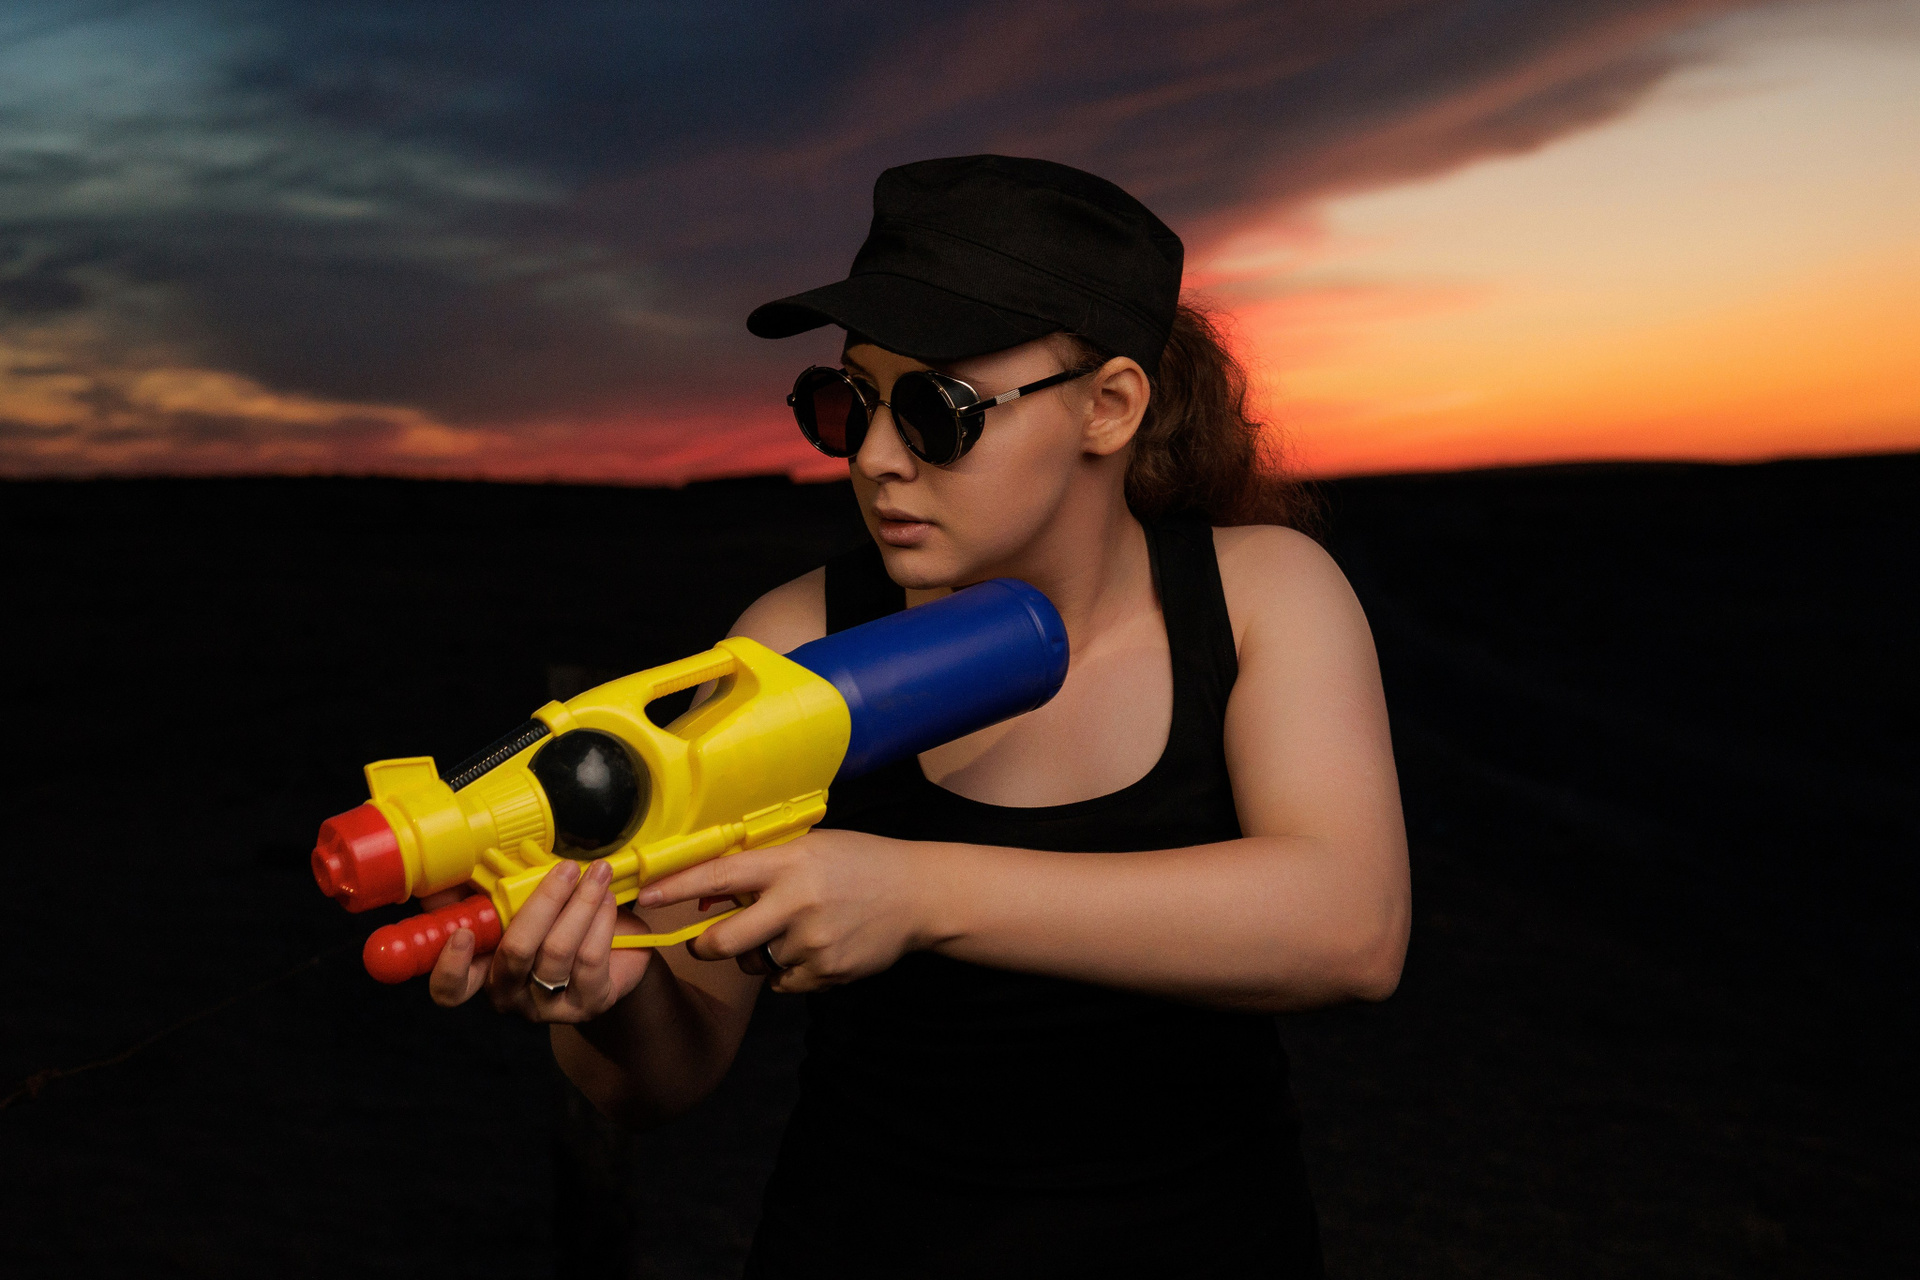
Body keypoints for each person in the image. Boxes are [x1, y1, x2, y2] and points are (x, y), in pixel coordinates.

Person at [427, 155, 1410, 1278]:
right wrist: (603, 993)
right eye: (846, 402)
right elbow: (665, 1076)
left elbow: (1351, 927)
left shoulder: (1260, 594)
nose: (876, 458)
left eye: (940, 411)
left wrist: (918, 893)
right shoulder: (791, 643)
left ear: (1109, 406)